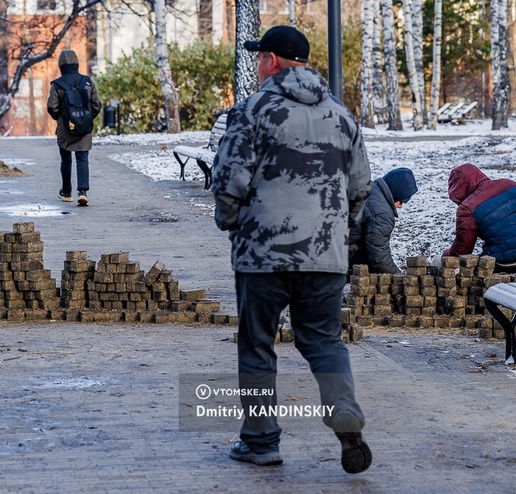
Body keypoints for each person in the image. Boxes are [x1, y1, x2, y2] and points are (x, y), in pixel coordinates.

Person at [210, 25, 373, 474]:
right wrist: (340, 230)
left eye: (260, 56)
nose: (258, 64)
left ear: (274, 61)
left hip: (263, 254)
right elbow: (361, 186)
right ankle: (344, 410)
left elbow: (229, 180)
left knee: (257, 344)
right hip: (325, 255)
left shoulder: (253, 110)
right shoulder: (342, 116)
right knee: (323, 340)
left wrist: (230, 222)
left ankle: (261, 441)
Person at [47, 49, 101, 207]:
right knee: (82, 159)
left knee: (65, 160)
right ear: (77, 63)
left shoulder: (57, 84)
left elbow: (52, 107)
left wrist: (60, 118)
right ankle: (82, 192)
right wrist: (87, 118)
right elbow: (97, 104)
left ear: (61, 65)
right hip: (84, 126)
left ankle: (66, 192)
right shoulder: (87, 81)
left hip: (65, 127)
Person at [441, 163, 516, 270]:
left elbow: (462, 251)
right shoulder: (509, 184)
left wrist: (443, 257)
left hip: (506, 261)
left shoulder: (467, 208)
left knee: (475, 274)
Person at [348, 167, 418, 274]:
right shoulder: (382, 213)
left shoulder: (366, 189)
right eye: (401, 201)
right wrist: (399, 277)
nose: (400, 206)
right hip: (347, 263)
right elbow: (378, 256)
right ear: (396, 193)